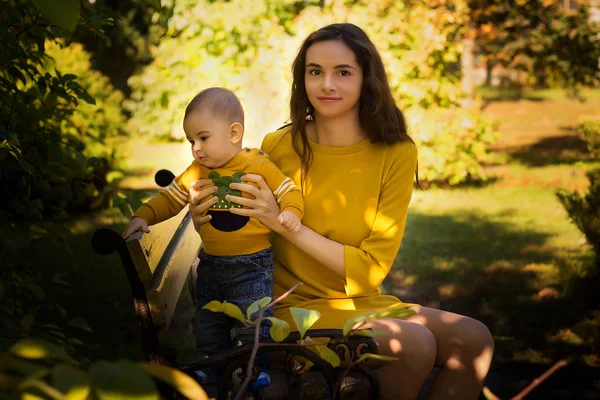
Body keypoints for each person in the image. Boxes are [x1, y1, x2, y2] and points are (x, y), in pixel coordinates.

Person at [188, 24, 494, 400]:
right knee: (413, 344)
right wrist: (209, 217)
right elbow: (237, 225)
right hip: (286, 306)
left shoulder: (396, 153)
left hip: (358, 300)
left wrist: (287, 225)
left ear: (367, 78)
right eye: (315, 71)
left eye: (343, 72)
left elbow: (368, 273)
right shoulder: (278, 146)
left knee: (475, 339)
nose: (326, 84)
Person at [122, 87, 304, 384]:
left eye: (203, 138)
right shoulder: (197, 171)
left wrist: (292, 212)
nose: (196, 148)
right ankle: (212, 365)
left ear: (234, 133)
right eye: (191, 140)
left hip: (252, 265)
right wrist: (142, 215)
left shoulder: (256, 163)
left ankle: (254, 367)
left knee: (253, 319)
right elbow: (170, 198)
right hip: (210, 265)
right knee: (209, 322)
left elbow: (287, 189)